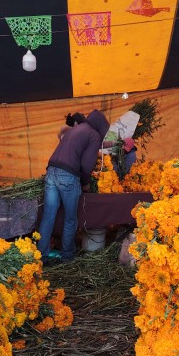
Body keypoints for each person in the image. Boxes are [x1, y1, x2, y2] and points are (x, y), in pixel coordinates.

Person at [37, 109, 110, 263]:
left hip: (51, 171)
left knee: (48, 216)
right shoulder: (94, 135)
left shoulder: (75, 129)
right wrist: (85, 183)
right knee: (70, 219)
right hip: (68, 175)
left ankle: (41, 256)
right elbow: (86, 164)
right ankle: (67, 256)